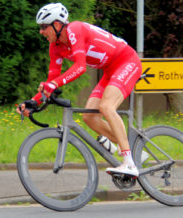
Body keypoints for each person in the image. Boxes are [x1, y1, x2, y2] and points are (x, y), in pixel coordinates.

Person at [17, 3, 142, 177]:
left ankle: (129, 163)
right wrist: (33, 101)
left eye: (44, 27)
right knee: (89, 116)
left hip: (126, 61)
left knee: (106, 107)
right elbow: (51, 80)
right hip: (109, 70)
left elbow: (80, 67)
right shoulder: (55, 47)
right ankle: (136, 153)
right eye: (40, 27)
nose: (41, 32)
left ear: (58, 24)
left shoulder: (74, 29)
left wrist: (53, 85)